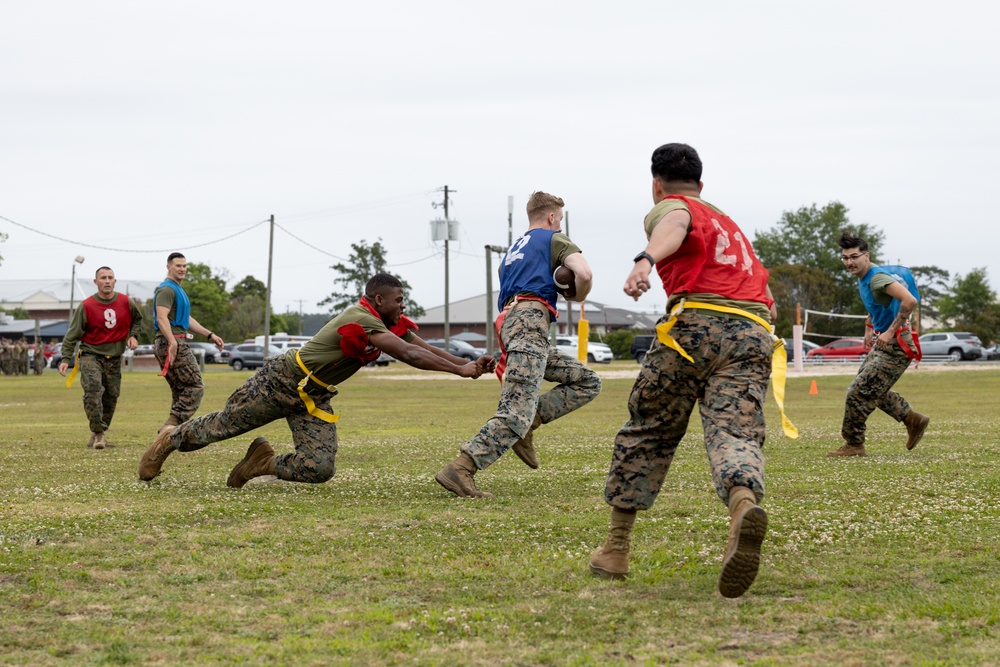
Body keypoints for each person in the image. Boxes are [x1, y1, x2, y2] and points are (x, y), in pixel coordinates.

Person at [589, 143, 777, 598]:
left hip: (696, 326)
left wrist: (645, 260)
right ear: (702, 183)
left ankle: (615, 550)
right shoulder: (726, 220)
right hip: (754, 331)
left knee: (649, 429)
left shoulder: (671, 206)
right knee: (735, 432)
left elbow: (674, 224)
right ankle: (741, 506)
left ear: (656, 184)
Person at [139, 273, 495, 487]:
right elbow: (411, 356)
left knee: (319, 468)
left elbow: (421, 345)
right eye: (399, 300)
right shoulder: (361, 317)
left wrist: (466, 362)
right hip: (282, 380)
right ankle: (169, 440)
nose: (403, 306)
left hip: (314, 394)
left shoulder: (386, 320)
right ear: (378, 299)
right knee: (222, 427)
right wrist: (462, 371)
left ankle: (260, 463)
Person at [435, 191, 602, 499]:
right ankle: (461, 468)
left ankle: (529, 424)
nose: (560, 227)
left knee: (587, 381)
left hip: (517, 322)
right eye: (560, 220)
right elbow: (584, 272)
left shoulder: (513, 251)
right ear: (551, 217)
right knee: (516, 408)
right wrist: (579, 294)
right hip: (530, 321)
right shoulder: (553, 239)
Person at [827, 232, 928, 457]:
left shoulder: (876, 278)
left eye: (854, 257)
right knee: (872, 389)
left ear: (866, 255)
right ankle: (914, 420)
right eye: (845, 258)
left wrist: (890, 331)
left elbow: (910, 301)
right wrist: (869, 326)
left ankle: (854, 444)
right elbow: (879, 304)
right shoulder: (866, 278)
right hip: (886, 342)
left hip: (897, 344)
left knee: (857, 391)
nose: (849, 262)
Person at [58, 266, 143, 449]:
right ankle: (99, 434)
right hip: (91, 354)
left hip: (114, 357)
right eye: (103, 278)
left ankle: (99, 430)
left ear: (115, 281)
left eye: (110, 277)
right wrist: (65, 358)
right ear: (95, 282)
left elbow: (137, 320)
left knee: (112, 396)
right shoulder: (87, 306)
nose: (107, 281)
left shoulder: (126, 302)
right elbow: (72, 334)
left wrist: (133, 335)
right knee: (93, 391)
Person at [153, 252, 224, 433]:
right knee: (195, 386)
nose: (182, 269)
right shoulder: (166, 290)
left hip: (175, 341)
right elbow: (162, 318)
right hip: (172, 342)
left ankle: (173, 433)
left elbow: (187, 319)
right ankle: (170, 426)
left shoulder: (178, 290)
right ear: (169, 267)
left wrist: (210, 335)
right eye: (178, 265)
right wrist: (172, 342)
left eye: (184, 266)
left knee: (181, 390)